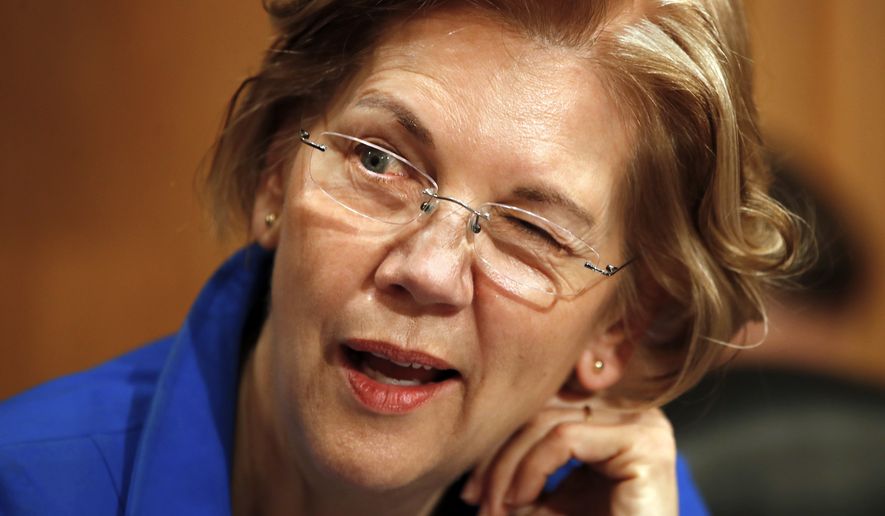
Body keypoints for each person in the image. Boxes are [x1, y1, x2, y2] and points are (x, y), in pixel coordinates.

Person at [0, 0, 802, 514]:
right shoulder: (28, 486)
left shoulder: (630, 501)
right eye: (378, 162)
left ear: (620, 331)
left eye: (535, 230)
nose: (426, 268)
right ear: (275, 171)